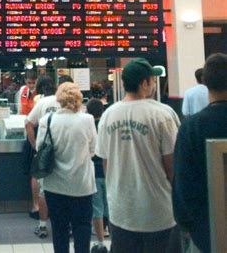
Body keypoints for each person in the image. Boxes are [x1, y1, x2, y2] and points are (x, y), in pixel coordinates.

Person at [95, 58, 180, 252]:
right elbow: (172, 167)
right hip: (158, 213)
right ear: (144, 83)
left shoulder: (108, 115)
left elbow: (106, 164)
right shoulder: (163, 115)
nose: (153, 84)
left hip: (121, 212)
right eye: (152, 80)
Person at [173, 53, 227, 252]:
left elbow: (182, 181)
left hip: (205, 228)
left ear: (205, 82)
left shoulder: (190, 127)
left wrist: (186, 224)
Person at [37, 82, 97, 253]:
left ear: (59, 99)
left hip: (54, 185)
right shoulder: (87, 120)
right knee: (82, 227)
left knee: (59, 229)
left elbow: (40, 149)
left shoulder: (46, 121)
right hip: (82, 185)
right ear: (78, 98)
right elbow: (93, 149)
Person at [25, 75, 72, 237]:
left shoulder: (42, 103)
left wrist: (35, 146)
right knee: (67, 189)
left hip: (46, 151)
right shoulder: (69, 103)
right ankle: (69, 225)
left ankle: (43, 225)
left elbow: (28, 123)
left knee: (44, 189)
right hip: (67, 151)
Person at [86, 99, 109, 253]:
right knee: (110, 206)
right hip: (109, 171)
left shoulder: (88, 127)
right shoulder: (107, 126)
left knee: (97, 208)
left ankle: (100, 243)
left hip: (94, 171)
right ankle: (112, 235)